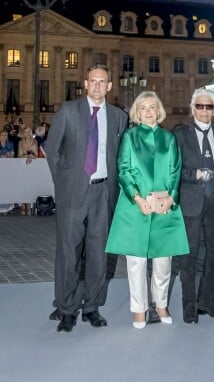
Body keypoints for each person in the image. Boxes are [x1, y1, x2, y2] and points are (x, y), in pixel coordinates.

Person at [45, 63, 128, 333]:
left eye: (102, 82)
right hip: (73, 193)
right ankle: (66, 307)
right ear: (85, 83)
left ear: (110, 86)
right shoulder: (68, 111)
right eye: (93, 81)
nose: (97, 86)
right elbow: (52, 149)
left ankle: (92, 306)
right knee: (69, 252)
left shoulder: (118, 117)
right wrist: (64, 182)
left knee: (98, 254)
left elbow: (118, 155)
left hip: (103, 193)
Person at [105, 91, 188, 329]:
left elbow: (175, 170)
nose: (149, 111)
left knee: (164, 262)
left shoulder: (169, 138)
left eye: (153, 107)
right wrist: (137, 198)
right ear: (137, 113)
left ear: (159, 111)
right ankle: (139, 309)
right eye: (143, 108)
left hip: (164, 207)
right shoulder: (130, 137)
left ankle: (160, 304)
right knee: (136, 262)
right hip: (136, 207)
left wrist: (171, 198)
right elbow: (124, 169)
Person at [174, 88, 214, 323]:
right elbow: (174, 169)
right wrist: (194, 174)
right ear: (192, 108)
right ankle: (189, 306)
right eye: (200, 106)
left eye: (209, 107)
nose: (204, 111)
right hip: (191, 203)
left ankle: (207, 300)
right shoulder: (180, 134)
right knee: (189, 256)